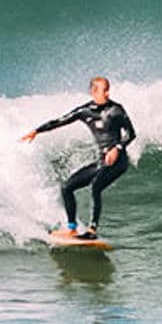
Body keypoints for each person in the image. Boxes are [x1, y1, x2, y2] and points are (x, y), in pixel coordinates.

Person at [21, 76, 135, 239]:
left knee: (96, 186)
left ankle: (92, 231)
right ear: (93, 92)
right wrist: (37, 131)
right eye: (105, 90)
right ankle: (72, 228)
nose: (108, 93)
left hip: (119, 161)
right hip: (101, 162)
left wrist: (117, 148)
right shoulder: (85, 111)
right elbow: (61, 121)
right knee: (67, 187)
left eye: (108, 89)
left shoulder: (116, 110)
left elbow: (131, 133)